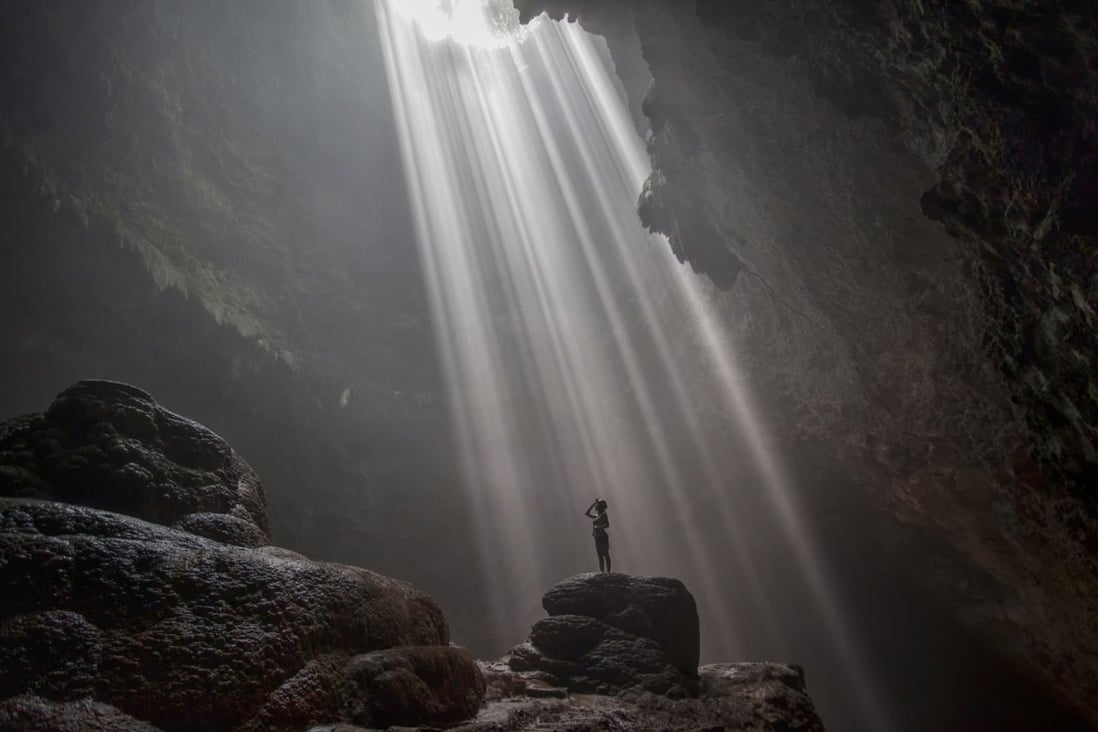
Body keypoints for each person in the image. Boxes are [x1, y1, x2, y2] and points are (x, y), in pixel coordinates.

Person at [585, 498, 611, 572]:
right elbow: (587, 513)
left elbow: (607, 524)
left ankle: (608, 571)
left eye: (598, 505)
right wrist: (592, 505)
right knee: (600, 555)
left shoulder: (603, 514)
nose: (597, 506)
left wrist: (598, 527)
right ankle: (602, 571)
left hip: (602, 536)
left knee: (605, 554)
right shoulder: (597, 515)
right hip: (597, 536)